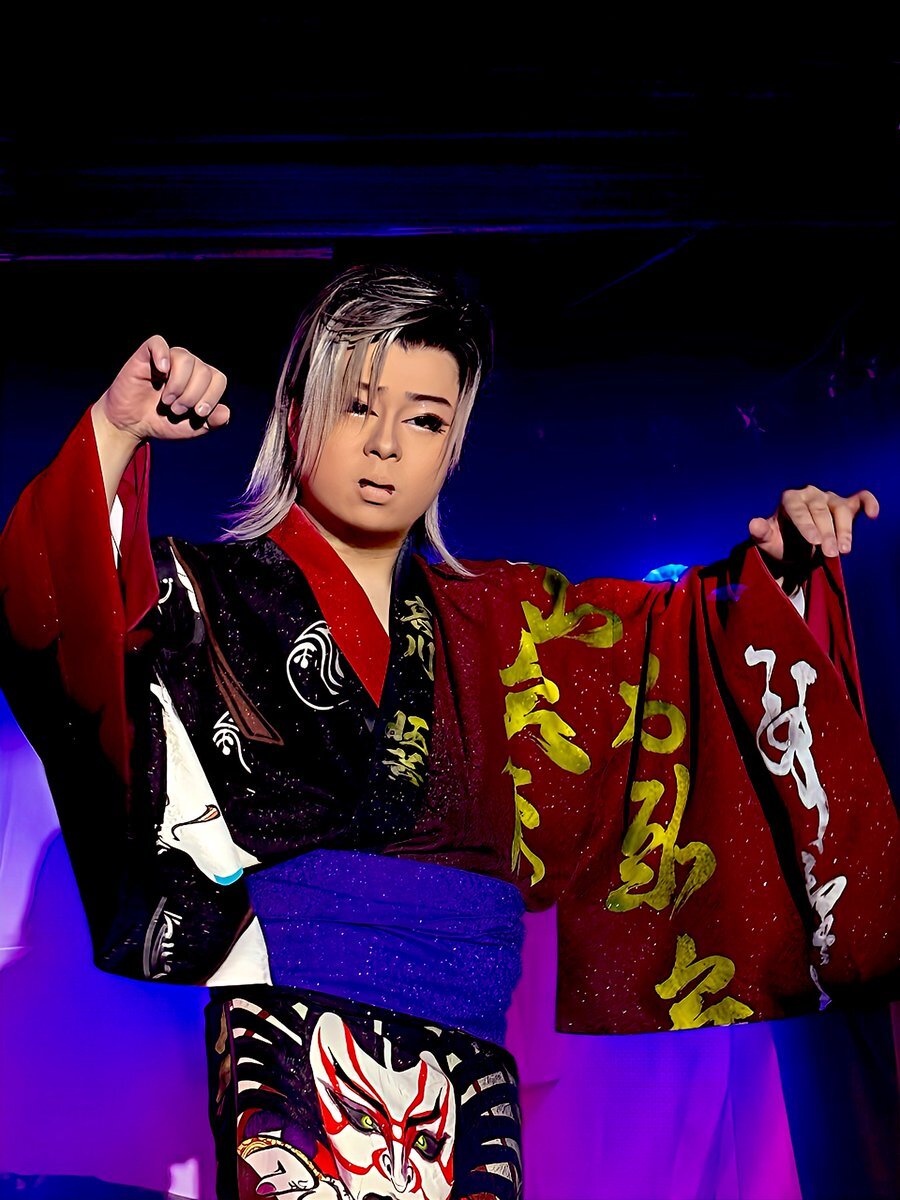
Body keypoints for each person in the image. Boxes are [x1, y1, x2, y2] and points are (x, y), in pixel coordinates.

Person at [0, 262, 897, 1200]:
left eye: (425, 419)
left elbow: (679, 653)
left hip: (469, 1053)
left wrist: (777, 578)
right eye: (357, 406)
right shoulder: (206, 596)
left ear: (452, 445)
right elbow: (58, 626)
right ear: (297, 414)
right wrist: (114, 431)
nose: (386, 445)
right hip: (293, 1029)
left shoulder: (509, 620)